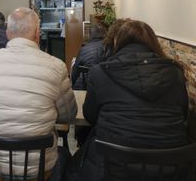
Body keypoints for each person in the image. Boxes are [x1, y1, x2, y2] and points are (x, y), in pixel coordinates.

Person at [65, 20, 189, 181]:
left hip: (113, 167)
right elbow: (183, 115)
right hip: (171, 169)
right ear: (153, 43)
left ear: (116, 42)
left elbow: (90, 116)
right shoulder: (175, 72)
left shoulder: (101, 72)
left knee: (70, 164)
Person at [0, 7, 77, 180]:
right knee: (67, 157)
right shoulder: (56, 65)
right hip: (38, 171)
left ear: (8, 33)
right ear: (38, 33)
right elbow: (68, 115)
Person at [71, 23, 107, 90]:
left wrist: (72, 85)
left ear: (90, 35)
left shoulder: (83, 49)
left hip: (86, 86)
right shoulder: (110, 47)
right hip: (106, 87)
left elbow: (75, 73)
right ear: (105, 34)